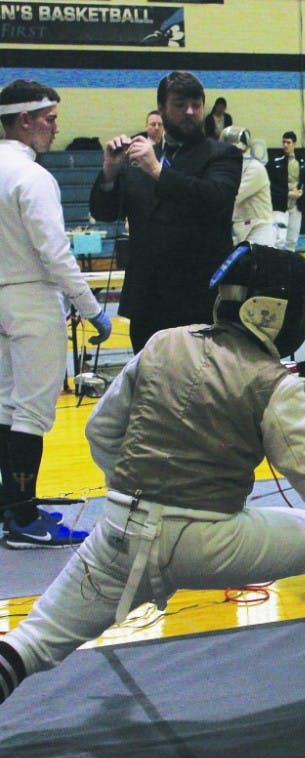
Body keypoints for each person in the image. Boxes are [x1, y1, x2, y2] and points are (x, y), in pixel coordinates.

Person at [0, 243, 305, 707]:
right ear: (277, 312)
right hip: (208, 543)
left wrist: (135, 492)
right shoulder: (274, 383)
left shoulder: (163, 343)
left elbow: (100, 430)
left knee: (31, 642)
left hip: (119, 533)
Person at [0, 78, 113, 547]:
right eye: (49, 120)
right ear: (24, 120)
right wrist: (91, 310)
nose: (55, 129)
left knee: (6, 404)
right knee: (31, 412)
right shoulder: (32, 177)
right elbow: (55, 254)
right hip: (32, 299)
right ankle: (24, 517)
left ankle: (11, 504)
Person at [89, 70, 241, 352]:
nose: (190, 111)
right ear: (162, 109)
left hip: (199, 298)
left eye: (197, 104)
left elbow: (215, 198)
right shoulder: (140, 157)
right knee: (150, 389)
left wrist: (158, 172)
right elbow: (105, 212)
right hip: (147, 300)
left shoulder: (222, 155)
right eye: (180, 105)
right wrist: (109, 173)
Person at [222, 126, 274, 246]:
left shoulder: (255, 169)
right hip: (240, 229)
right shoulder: (231, 168)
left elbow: (232, 197)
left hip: (259, 230)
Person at [267, 130, 305, 254]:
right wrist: (287, 193)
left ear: (294, 144)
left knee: (292, 240)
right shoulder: (275, 162)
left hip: (296, 205)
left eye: (288, 142)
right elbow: (270, 185)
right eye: (283, 142)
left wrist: (301, 192)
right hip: (280, 205)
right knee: (279, 239)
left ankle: (289, 269)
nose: (285, 145)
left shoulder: (300, 162)